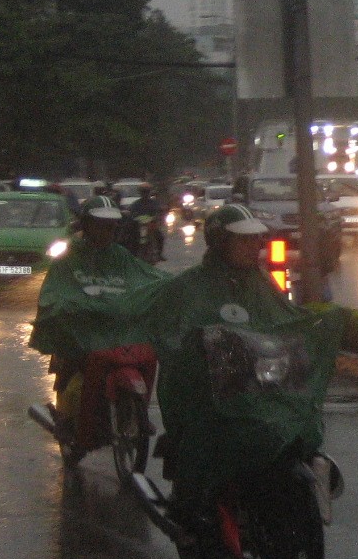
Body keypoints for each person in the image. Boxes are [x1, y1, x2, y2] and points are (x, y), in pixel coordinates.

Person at [126, 203, 343, 523]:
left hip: (254, 379)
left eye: (254, 239)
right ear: (218, 242)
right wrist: (194, 350)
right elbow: (169, 332)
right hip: (208, 386)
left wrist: (312, 331)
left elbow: (283, 320)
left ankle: (308, 471)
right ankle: (191, 503)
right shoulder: (189, 286)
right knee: (206, 436)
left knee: (296, 420)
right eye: (242, 240)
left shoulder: (260, 283)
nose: (252, 247)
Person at [28, 195, 163, 442]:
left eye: (110, 226)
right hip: (82, 331)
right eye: (100, 224)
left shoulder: (120, 255)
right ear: (86, 225)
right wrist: (67, 305)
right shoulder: (68, 255)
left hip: (117, 331)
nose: (106, 231)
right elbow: (55, 289)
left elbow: (147, 278)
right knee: (77, 374)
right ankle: (68, 420)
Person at [123, 182, 165, 260]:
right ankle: (130, 254)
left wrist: (159, 214)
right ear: (140, 193)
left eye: (146, 191)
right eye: (143, 191)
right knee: (128, 236)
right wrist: (129, 215)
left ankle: (159, 254)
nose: (145, 193)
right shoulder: (136, 204)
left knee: (160, 237)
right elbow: (130, 212)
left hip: (150, 226)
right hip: (138, 226)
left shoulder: (154, 203)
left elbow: (159, 211)